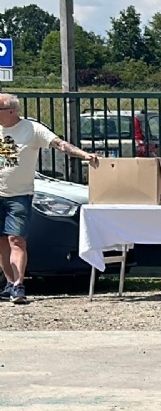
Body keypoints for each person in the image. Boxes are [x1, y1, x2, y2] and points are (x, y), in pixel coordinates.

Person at [0, 93, 98, 304]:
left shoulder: (31, 129)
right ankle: (9, 283)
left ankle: (18, 285)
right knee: (1, 242)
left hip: (19, 194)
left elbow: (59, 144)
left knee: (17, 240)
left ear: (11, 111)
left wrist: (84, 155)